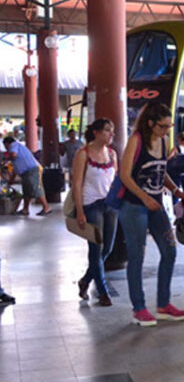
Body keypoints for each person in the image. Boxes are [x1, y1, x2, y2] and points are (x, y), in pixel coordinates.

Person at [119, 102, 184, 327]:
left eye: (169, 127)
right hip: (134, 206)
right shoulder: (136, 140)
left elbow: (162, 170)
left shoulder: (163, 140)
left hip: (156, 205)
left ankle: (163, 304)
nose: (166, 131)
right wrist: (144, 197)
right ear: (151, 123)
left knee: (170, 250)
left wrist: (175, 189)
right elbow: (125, 175)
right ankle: (138, 308)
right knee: (137, 256)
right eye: (163, 126)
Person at [73, 119, 118, 307]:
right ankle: (103, 292)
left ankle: (85, 280)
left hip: (110, 205)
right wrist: (80, 211)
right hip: (91, 205)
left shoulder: (112, 154)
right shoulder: (83, 154)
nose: (111, 134)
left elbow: (115, 180)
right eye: (107, 130)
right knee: (96, 248)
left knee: (107, 249)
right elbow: (76, 184)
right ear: (97, 133)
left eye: (112, 131)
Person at [2, 136, 51, 216]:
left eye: (5, 146)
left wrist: (5, 159)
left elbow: (13, 155)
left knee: (35, 188)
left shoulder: (14, 145)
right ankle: (25, 209)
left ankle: (46, 207)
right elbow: (15, 169)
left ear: (7, 143)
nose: (6, 148)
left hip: (31, 170)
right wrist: (11, 180)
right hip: (25, 172)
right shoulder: (16, 152)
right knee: (26, 191)